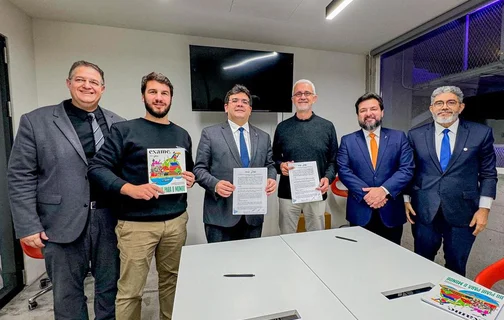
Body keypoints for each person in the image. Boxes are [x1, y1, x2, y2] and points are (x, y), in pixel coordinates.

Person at [7, 60, 124, 319]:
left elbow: (129, 170)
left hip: (110, 219)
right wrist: (27, 225)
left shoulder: (119, 123)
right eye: (80, 80)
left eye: (94, 82)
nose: (87, 86)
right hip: (60, 222)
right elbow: (20, 176)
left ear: (103, 88)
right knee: (67, 295)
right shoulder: (37, 121)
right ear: (69, 83)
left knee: (111, 289)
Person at [88, 72, 195, 319]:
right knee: (131, 291)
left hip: (176, 221)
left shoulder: (181, 134)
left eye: (164, 93)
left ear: (171, 98)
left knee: (172, 282)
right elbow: (96, 168)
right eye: (153, 92)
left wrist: (189, 178)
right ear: (143, 96)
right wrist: (129, 189)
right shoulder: (124, 130)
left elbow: (187, 170)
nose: (159, 98)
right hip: (136, 225)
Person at [405, 85, 497, 276]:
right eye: (439, 103)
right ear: (431, 108)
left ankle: (451, 303)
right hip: (424, 210)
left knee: (456, 265)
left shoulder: (480, 133)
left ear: (461, 107)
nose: (444, 107)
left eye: (450, 102)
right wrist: (406, 199)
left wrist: (484, 209)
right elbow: (409, 169)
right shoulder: (415, 135)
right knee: (421, 262)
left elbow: (488, 173)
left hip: (463, 213)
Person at [193, 84, 277, 243]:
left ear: (250, 109)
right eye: (235, 101)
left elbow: (270, 165)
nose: (240, 104)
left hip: (253, 217)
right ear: (226, 107)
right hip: (220, 216)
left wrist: (272, 178)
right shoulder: (210, 134)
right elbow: (199, 169)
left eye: (245, 102)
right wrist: (216, 185)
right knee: (220, 265)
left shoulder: (264, 137)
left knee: (250, 263)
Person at [337, 93, 414, 244]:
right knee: (360, 258)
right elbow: (344, 170)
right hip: (360, 210)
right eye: (363, 110)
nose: (368, 113)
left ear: (382, 112)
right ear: (358, 115)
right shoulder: (348, 140)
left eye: (373, 109)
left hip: (391, 209)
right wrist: (368, 194)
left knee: (390, 258)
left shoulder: (399, 137)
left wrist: (383, 190)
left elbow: (406, 168)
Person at [272, 79, 338, 234]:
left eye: (307, 93)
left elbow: (334, 160)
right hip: (288, 194)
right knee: (286, 238)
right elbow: (273, 158)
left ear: (314, 98)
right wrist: (280, 166)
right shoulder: (282, 128)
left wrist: (327, 178)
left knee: (316, 237)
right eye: (298, 94)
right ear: (293, 99)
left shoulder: (327, 127)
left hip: (316, 192)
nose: (302, 97)